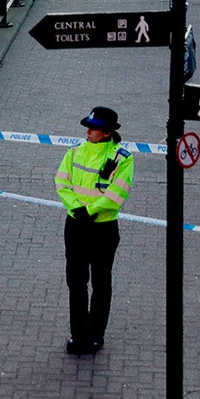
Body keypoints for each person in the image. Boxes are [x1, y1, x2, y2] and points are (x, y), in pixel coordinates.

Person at [54, 106, 134, 355]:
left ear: (107, 132)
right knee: (76, 282)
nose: (88, 130)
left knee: (101, 282)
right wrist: (77, 208)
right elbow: (61, 181)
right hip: (76, 225)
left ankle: (96, 334)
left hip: (102, 228)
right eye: (88, 126)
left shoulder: (123, 158)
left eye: (94, 127)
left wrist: (89, 211)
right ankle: (78, 334)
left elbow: (117, 193)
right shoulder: (74, 152)